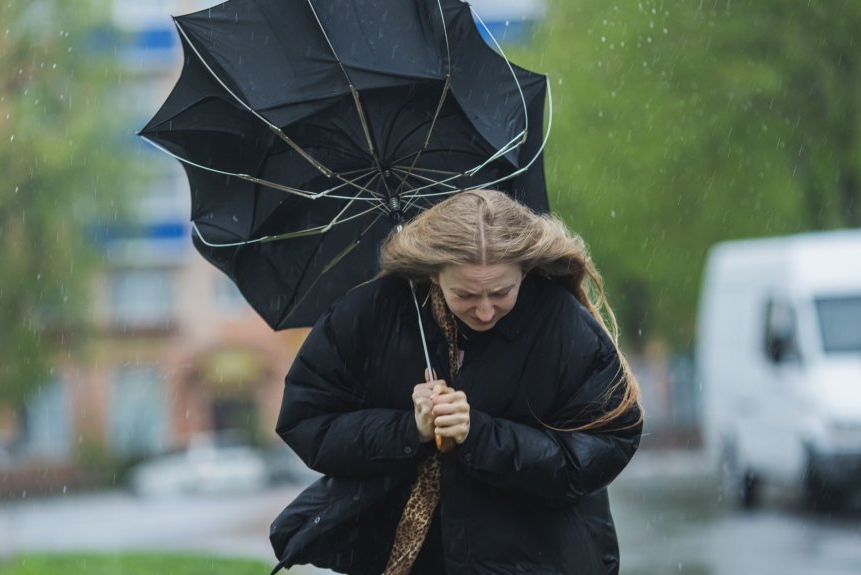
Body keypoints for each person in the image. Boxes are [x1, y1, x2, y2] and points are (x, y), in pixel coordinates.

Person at [270, 189, 643, 575]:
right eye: (464, 294)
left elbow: (604, 445)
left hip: (538, 562)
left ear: (524, 269)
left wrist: (480, 435)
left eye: (502, 292)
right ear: (433, 272)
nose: (484, 310)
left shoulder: (562, 325)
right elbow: (307, 420)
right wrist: (407, 429)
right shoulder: (372, 315)